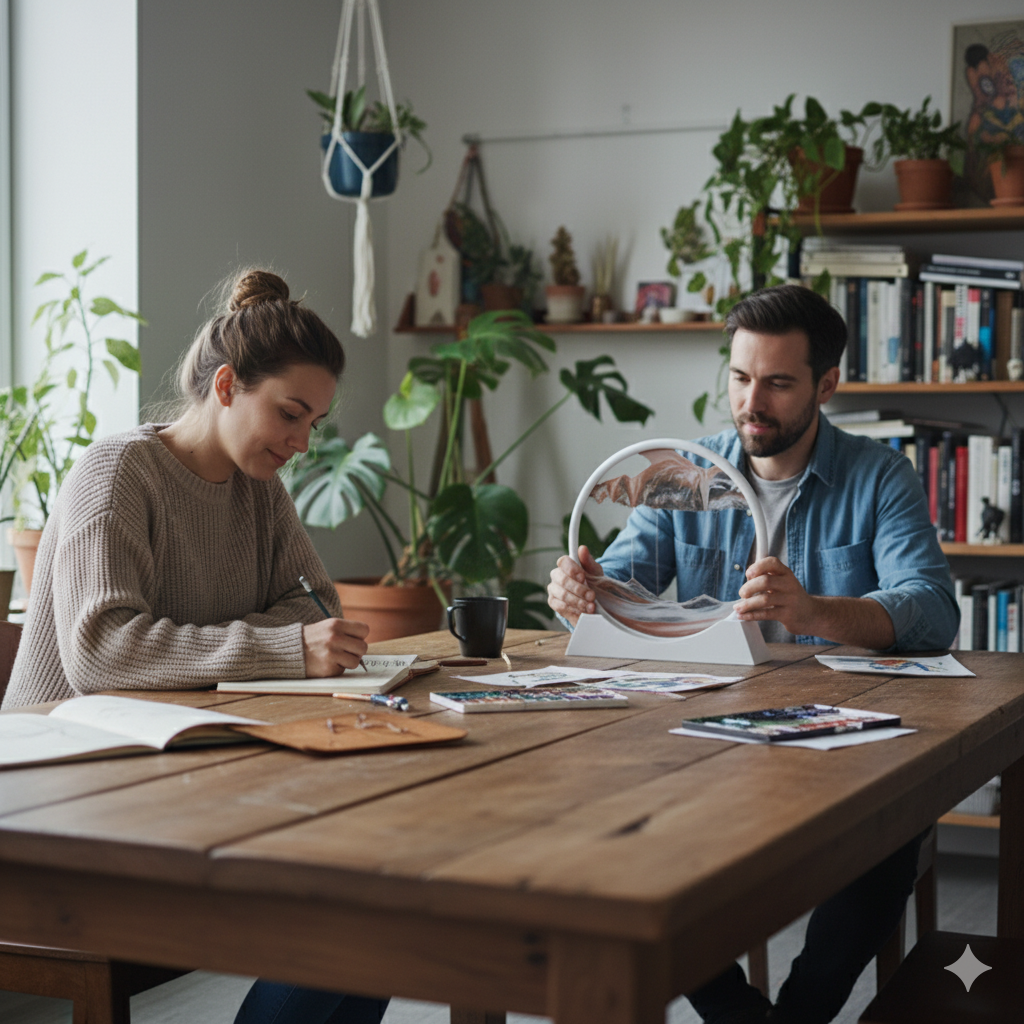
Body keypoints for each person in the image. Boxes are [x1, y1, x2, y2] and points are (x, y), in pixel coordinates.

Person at [547, 284, 958, 1024]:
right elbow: (621, 583)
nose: (751, 402)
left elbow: (932, 610)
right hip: (705, 740)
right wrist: (580, 588)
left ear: (826, 385)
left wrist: (814, 612)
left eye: (777, 383)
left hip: (841, 742)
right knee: (622, 836)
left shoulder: (879, 475)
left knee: (887, 825)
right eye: (739, 377)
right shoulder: (685, 472)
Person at [2, 269, 388, 1024]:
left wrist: (284, 639)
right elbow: (105, 654)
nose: (303, 442)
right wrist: (285, 649)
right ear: (226, 385)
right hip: (61, 794)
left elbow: (314, 604)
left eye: (314, 423)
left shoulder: (259, 490)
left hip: (176, 769)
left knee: (377, 892)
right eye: (290, 414)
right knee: (354, 909)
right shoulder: (116, 474)